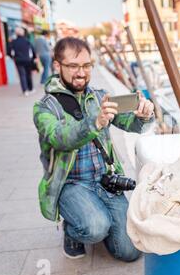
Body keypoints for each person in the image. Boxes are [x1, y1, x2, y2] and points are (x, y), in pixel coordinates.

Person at [33, 37, 155, 261]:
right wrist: (95, 122)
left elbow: (129, 123)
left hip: (105, 180)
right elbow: (60, 138)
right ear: (57, 66)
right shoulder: (44, 107)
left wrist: (144, 116)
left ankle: (99, 222)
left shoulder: (100, 96)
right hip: (71, 184)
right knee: (96, 226)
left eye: (87, 65)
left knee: (130, 252)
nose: (81, 73)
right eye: (73, 66)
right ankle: (73, 232)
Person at [8, 27, 37, 96]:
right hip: (27, 60)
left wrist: (13, 57)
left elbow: (8, 51)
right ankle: (31, 89)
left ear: (16, 33)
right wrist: (34, 58)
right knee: (28, 74)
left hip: (18, 60)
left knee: (22, 75)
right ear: (23, 33)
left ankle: (25, 91)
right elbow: (32, 50)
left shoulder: (13, 42)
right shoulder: (27, 41)